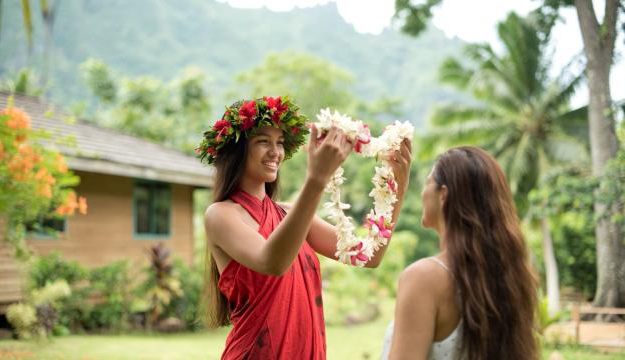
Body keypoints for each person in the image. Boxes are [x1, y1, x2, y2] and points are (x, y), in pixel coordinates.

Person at [196, 96, 412, 360]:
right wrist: (317, 179)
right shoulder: (220, 215)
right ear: (237, 151)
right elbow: (272, 261)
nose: (275, 152)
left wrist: (397, 187)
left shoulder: (291, 214)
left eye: (279, 143)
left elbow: (369, 256)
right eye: (263, 141)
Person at [382, 146, 539, 360]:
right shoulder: (508, 277)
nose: (422, 193)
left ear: (443, 195)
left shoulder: (423, 278)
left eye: (428, 183)